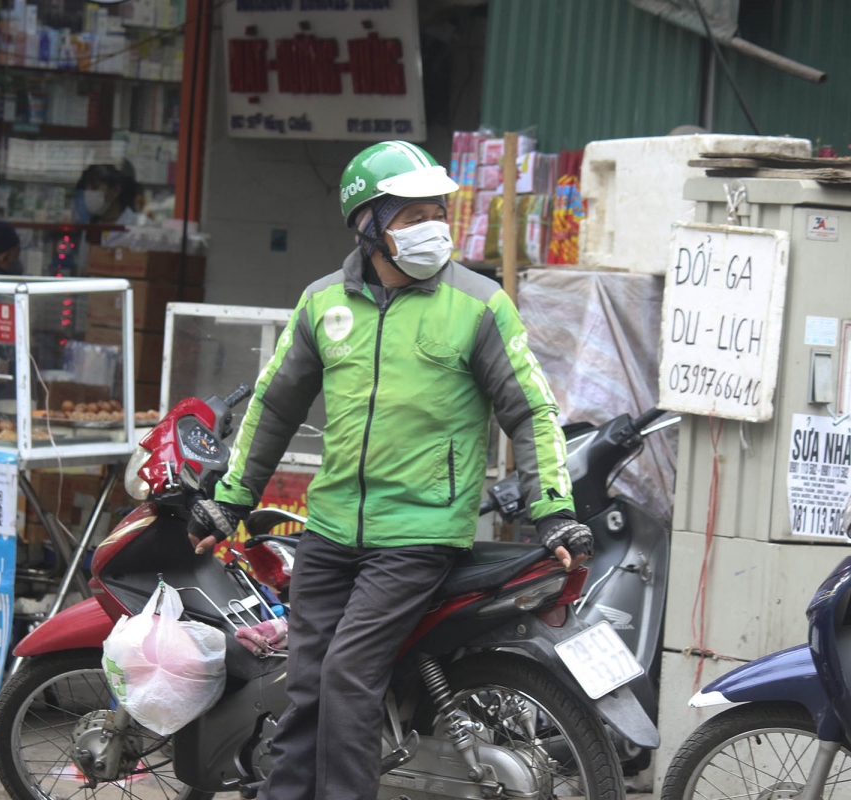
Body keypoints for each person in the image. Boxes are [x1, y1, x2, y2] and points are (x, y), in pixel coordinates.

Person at [187, 141, 595, 800]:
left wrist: (557, 511)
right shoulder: (324, 305)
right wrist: (229, 501)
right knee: (307, 682)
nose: (434, 224)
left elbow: (532, 410)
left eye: (438, 210)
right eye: (413, 214)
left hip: (417, 534)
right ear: (368, 224)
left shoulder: (478, 304)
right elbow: (272, 407)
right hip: (329, 532)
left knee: (349, 677)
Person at [74, 163, 145, 226]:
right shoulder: (91, 226)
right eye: (86, 189)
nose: (89, 194)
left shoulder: (140, 224)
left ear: (115, 191)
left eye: (95, 187)